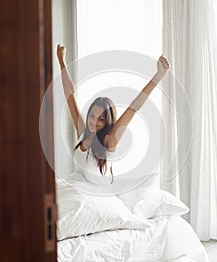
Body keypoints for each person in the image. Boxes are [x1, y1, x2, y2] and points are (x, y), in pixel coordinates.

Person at [57, 44, 170, 186]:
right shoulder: (83, 133)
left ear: (107, 122)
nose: (93, 121)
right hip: (78, 188)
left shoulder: (108, 141)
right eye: (92, 116)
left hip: (98, 198)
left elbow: (134, 107)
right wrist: (61, 61)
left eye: (101, 119)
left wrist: (159, 75)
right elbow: (70, 94)